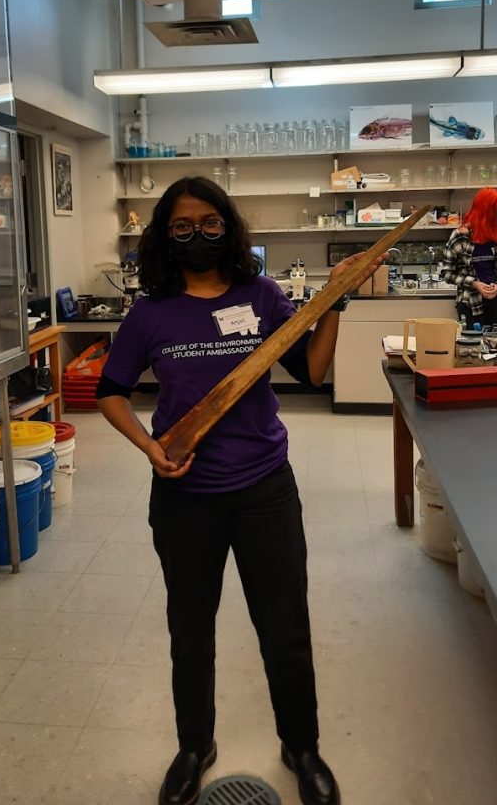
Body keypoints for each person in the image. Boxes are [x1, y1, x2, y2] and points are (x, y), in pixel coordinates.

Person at [96, 176, 381, 805]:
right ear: (164, 236)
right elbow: (110, 391)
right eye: (182, 226)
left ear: (228, 227)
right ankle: (194, 747)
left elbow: (311, 369)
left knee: (285, 627)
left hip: (264, 490)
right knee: (189, 629)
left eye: (209, 223)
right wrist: (149, 447)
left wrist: (334, 301)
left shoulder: (260, 295)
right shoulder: (150, 312)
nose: (197, 234)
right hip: (184, 495)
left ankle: (301, 747)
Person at [441, 186, 497, 328]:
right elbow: (447, 273)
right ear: (486, 210)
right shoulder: (460, 237)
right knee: (471, 348)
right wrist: (474, 283)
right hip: (470, 302)